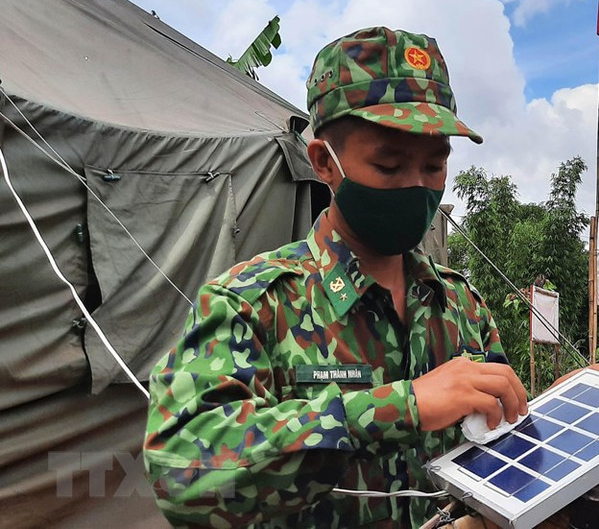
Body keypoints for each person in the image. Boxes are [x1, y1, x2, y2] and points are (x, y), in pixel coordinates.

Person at [143, 27, 529, 527]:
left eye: (435, 166)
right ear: (325, 161)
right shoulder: (253, 304)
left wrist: (561, 422)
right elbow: (182, 476)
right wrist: (400, 408)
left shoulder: (459, 306)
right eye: (389, 165)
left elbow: (500, 447)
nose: (417, 187)